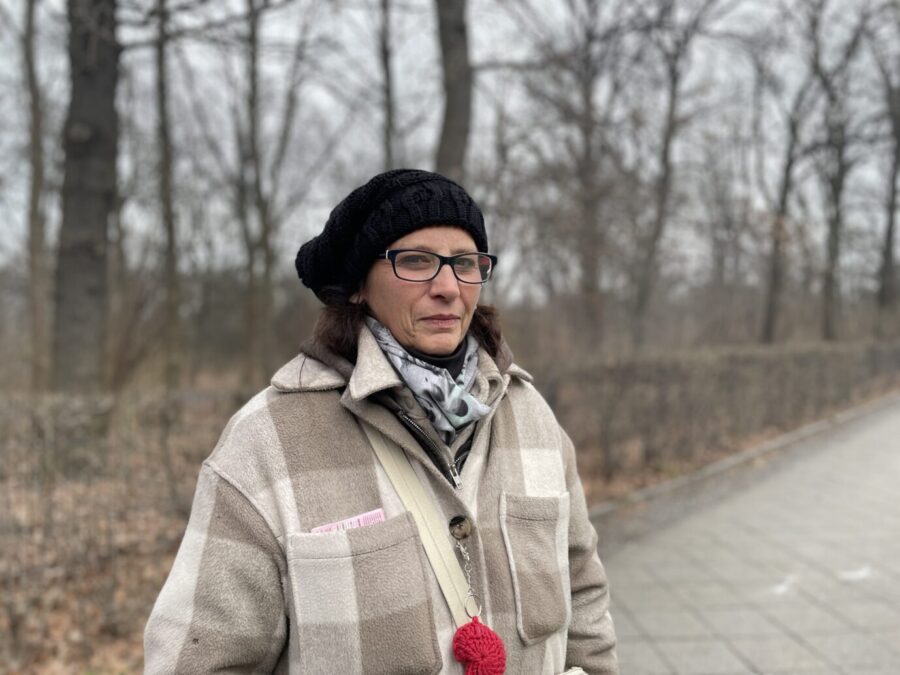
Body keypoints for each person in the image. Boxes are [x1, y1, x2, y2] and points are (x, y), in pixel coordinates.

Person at [144, 169, 618, 674]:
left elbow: (584, 598)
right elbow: (195, 661)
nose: (447, 287)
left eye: (465, 263)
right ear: (356, 288)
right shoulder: (268, 442)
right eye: (415, 261)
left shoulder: (531, 417)